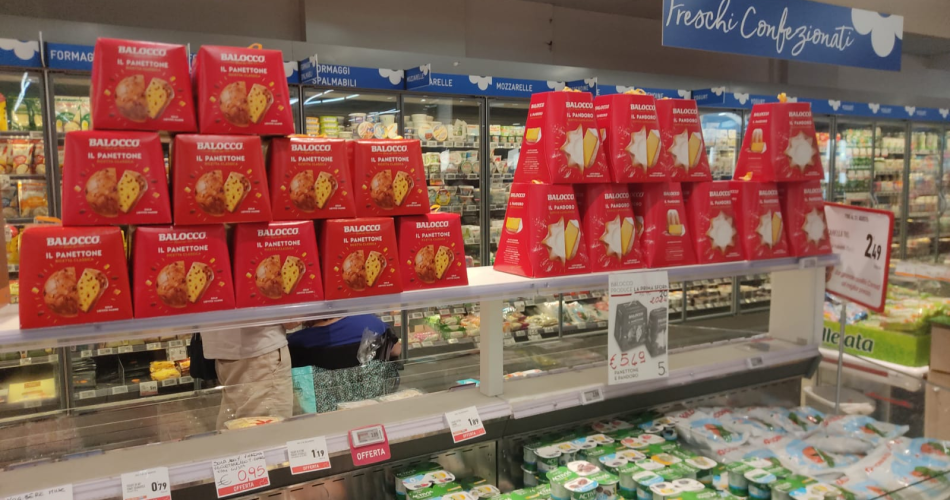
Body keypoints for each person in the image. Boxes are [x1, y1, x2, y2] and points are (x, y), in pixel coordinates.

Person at [201, 324, 294, 430]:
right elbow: (292, 321)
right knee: (268, 434)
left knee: (233, 433)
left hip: (224, 355)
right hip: (261, 353)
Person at [287, 314, 401, 369]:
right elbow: (396, 350)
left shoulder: (297, 341)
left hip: (321, 403)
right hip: (375, 394)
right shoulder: (372, 322)